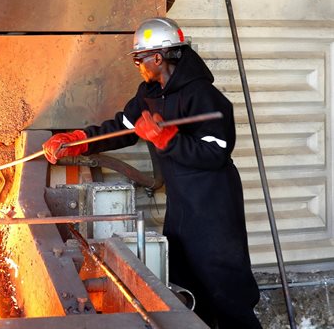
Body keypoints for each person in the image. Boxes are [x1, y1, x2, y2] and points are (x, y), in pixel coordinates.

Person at [43, 17, 262, 329]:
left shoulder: (205, 96)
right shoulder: (150, 93)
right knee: (187, 284)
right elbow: (123, 127)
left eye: (138, 58)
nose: (137, 65)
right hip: (183, 204)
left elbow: (214, 153)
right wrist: (80, 141)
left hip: (214, 205)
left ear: (157, 57)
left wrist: (166, 139)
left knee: (225, 288)